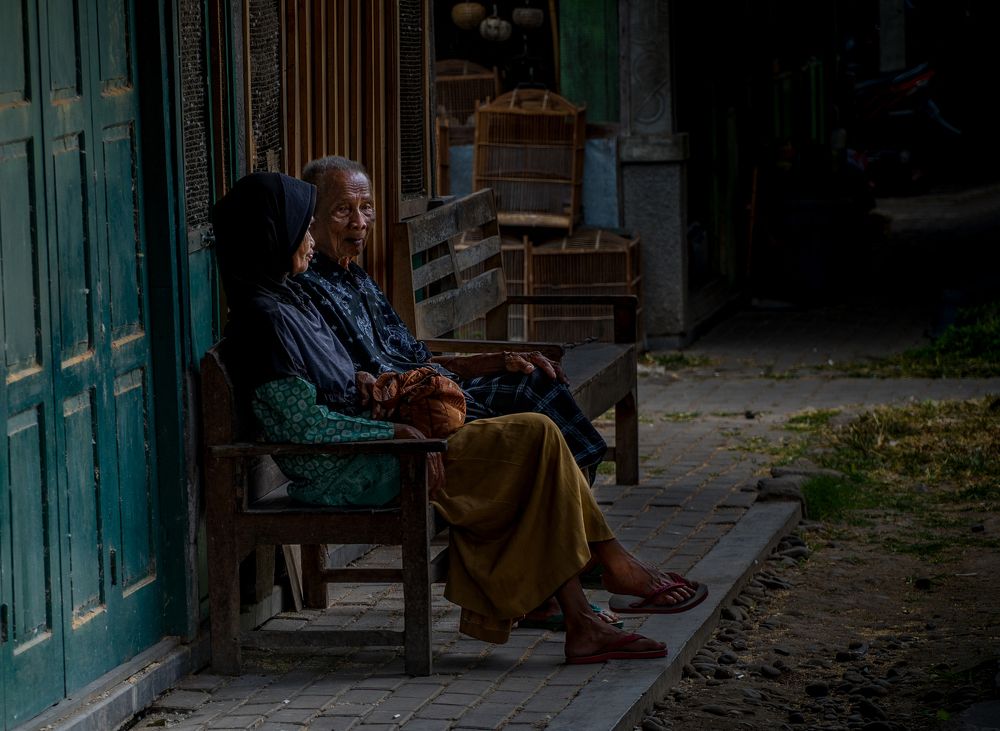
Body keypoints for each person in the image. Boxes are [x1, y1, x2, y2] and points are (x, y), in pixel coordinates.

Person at [211, 172, 706, 664]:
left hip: (377, 448)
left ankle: (581, 617)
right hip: (349, 467)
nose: (311, 240)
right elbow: (305, 428)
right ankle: (585, 608)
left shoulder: (287, 298)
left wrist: (373, 391)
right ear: (272, 234)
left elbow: (335, 383)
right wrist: (394, 430)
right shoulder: (263, 319)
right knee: (533, 439)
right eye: (303, 227)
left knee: (538, 438)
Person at [296, 156, 607, 483]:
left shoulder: (356, 276)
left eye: (367, 207)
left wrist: (500, 361)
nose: (359, 222)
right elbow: (354, 383)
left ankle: (575, 506)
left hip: (436, 383)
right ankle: (575, 511)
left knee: (537, 378)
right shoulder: (309, 288)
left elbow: (416, 357)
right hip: (415, 406)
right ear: (311, 220)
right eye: (343, 210)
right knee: (531, 407)